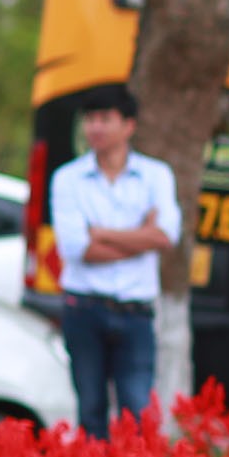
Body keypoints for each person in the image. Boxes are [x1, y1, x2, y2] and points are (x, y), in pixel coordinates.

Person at [47, 83, 179, 438]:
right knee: (90, 410)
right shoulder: (67, 178)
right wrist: (141, 236)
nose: (96, 128)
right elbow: (78, 249)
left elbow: (165, 236)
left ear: (129, 126)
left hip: (136, 312)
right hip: (84, 308)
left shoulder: (156, 175)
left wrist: (101, 232)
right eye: (90, 120)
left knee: (137, 411)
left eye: (105, 119)